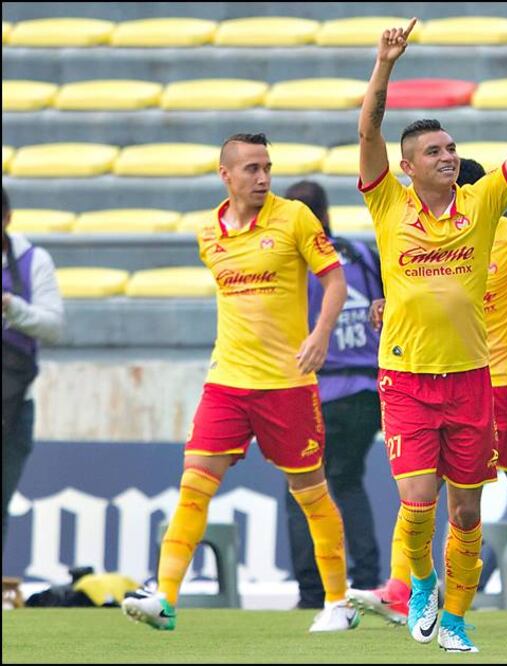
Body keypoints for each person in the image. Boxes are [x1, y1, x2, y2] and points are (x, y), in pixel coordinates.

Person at [348, 18, 507, 653]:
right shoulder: (387, 204)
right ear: (406, 168)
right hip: (405, 378)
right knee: (416, 502)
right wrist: (385, 64)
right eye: (433, 152)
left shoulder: (484, 202)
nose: (447, 157)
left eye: (451, 149)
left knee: (466, 513)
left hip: (471, 378)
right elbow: (368, 127)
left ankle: (457, 620)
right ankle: (424, 584)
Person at [121, 133, 353, 633]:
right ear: (226, 175)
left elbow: (335, 280)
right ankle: (164, 598)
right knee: (192, 488)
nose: (263, 177)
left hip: (287, 385)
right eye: (251, 168)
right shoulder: (207, 231)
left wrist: (320, 334)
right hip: (226, 381)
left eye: (267, 166)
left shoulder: (294, 217)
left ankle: (337, 601)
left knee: (310, 492)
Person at [280, 181, 384, 610]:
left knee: (302, 489)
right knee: (348, 482)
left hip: (320, 389)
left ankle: (312, 591)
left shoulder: (293, 263)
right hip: (369, 389)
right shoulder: (361, 254)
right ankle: (367, 578)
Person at [2, 187, 64, 554]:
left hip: (12, 407)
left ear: (7, 219)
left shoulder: (33, 260)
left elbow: (54, 326)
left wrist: (12, 307)